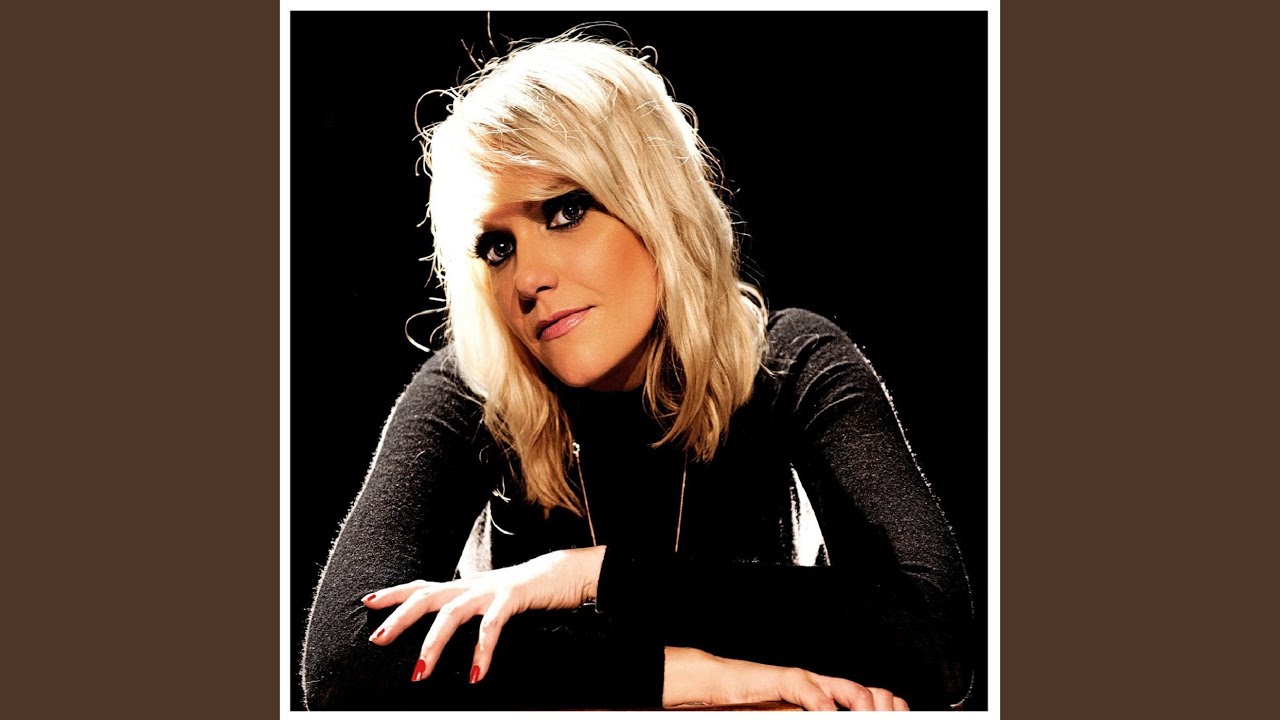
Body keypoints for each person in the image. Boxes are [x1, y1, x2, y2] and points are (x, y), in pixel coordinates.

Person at [301, 30, 973, 711]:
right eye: (498, 247)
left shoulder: (788, 361)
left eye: (565, 211)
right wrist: (702, 680)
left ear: (656, 205)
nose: (527, 279)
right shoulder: (473, 392)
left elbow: (935, 638)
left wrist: (591, 575)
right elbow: (346, 664)